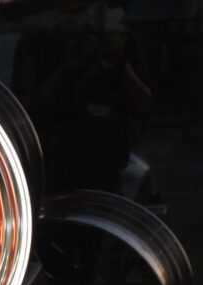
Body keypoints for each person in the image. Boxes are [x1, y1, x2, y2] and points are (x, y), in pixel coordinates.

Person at [12, 0, 152, 195]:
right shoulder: (36, 44)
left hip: (111, 177)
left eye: (85, 9)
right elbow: (23, 116)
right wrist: (67, 70)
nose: (78, 20)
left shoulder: (122, 43)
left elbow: (144, 107)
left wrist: (120, 62)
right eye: (68, 11)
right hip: (52, 176)